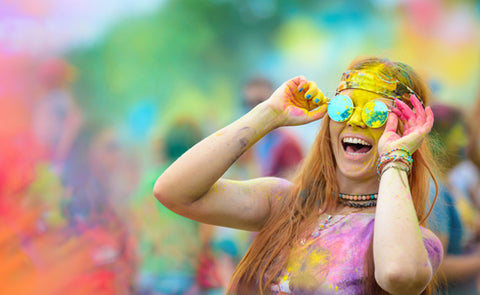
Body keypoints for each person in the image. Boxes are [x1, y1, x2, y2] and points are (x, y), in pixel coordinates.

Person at [153, 56, 443, 294]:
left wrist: (395, 157)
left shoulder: (414, 242)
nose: (356, 122)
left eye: (377, 114)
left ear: (407, 133)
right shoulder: (283, 203)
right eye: (344, 107)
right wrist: (268, 114)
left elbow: (399, 273)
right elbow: (173, 191)